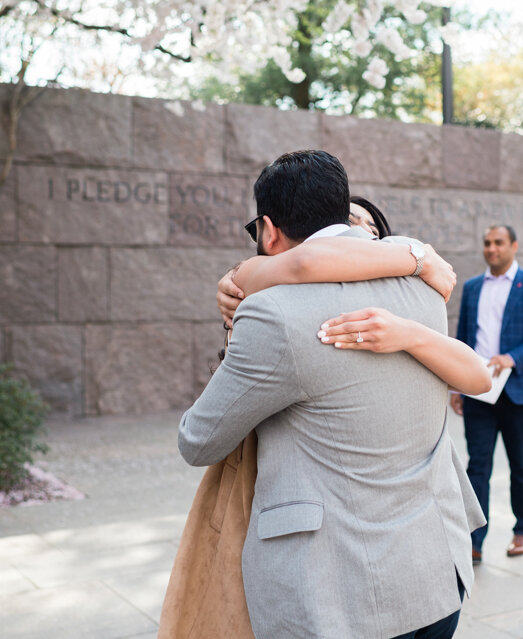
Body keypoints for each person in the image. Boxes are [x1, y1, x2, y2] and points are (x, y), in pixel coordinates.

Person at [178, 150, 485, 639]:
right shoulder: (425, 286)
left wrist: (235, 323)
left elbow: (199, 441)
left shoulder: (271, 313)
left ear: (269, 228)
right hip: (433, 574)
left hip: (334, 597)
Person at [451, 225, 523, 562]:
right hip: (478, 392)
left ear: (514, 245)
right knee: (477, 467)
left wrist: (512, 358)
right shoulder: (471, 288)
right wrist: (457, 385)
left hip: (518, 390)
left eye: (498, 243)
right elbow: (464, 338)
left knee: (520, 464)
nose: (491, 249)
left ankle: (522, 530)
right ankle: (474, 541)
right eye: (486, 243)